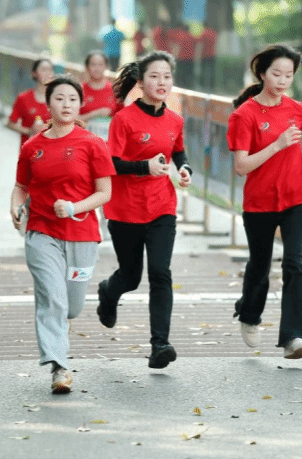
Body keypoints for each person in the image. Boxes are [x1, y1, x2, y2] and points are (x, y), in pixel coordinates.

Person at [10, 76, 114, 393]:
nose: (66, 104)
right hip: (42, 230)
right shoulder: (33, 147)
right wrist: (15, 207)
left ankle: (59, 341)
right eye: (59, 98)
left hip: (82, 233)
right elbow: (20, 186)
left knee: (72, 307)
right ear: (48, 104)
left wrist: (73, 207)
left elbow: (105, 192)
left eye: (72, 99)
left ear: (80, 105)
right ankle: (59, 367)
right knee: (52, 298)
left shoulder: (92, 144)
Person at [94, 51, 192, 369]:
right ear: (140, 81)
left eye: (167, 77)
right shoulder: (124, 119)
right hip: (125, 209)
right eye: (154, 76)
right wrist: (143, 166)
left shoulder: (175, 120)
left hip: (162, 206)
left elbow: (178, 150)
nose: (162, 82)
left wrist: (184, 168)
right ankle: (108, 292)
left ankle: (159, 344)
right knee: (131, 277)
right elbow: (111, 163)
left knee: (160, 273)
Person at [226, 44, 302, 360]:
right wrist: (278, 145)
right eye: (276, 74)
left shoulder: (295, 108)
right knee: (260, 265)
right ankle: (249, 314)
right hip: (260, 202)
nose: (282, 81)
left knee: (295, 263)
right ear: (262, 73)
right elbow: (241, 166)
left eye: (288, 75)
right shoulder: (245, 115)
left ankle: (295, 336)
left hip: (296, 197)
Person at [6, 58, 53, 147]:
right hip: (28, 149)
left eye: (50, 70)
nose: (48, 73)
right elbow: (10, 123)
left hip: (50, 149)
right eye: (44, 69)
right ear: (34, 73)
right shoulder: (24, 98)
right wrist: (29, 131)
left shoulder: (57, 99)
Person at [79, 50, 119, 140]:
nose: (97, 68)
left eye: (100, 64)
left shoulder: (115, 91)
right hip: (85, 141)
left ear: (106, 67)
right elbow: (72, 119)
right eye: (93, 64)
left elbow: (124, 119)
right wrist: (95, 113)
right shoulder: (79, 91)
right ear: (87, 67)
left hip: (109, 142)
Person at [197, 23, 218, 90]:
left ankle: (202, 85)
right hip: (212, 54)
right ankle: (212, 86)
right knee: (212, 71)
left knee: (203, 71)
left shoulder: (203, 33)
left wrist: (198, 54)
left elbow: (200, 44)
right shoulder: (213, 33)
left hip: (204, 54)